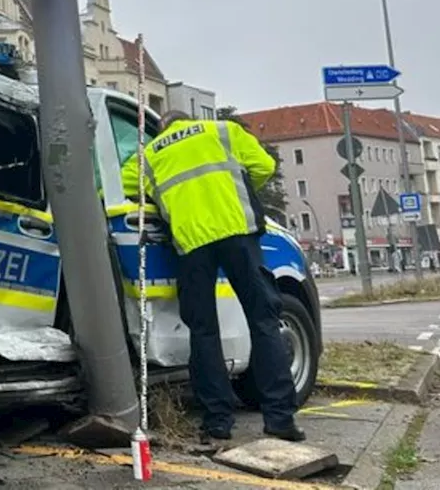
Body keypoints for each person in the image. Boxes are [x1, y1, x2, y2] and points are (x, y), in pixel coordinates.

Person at [122, 111, 305, 443]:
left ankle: (217, 423)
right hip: (239, 232)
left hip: (191, 242)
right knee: (263, 320)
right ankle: (279, 418)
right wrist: (234, 196)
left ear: (162, 128)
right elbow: (264, 166)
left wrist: (171, 203)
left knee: (203, 331)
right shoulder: (224, 130)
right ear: (189, 120)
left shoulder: (150, 152)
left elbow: (128, 187)